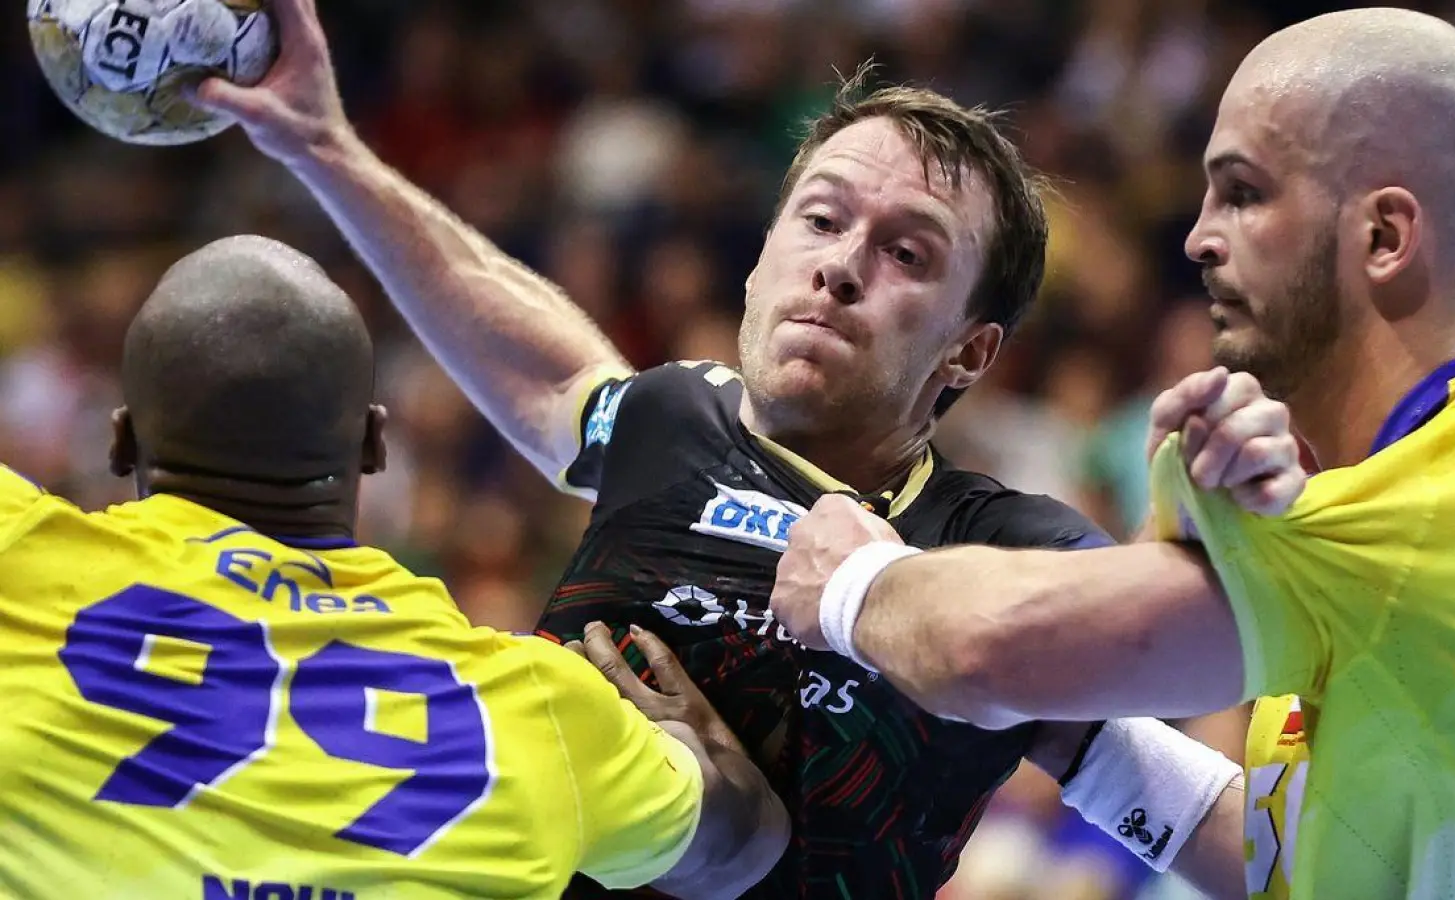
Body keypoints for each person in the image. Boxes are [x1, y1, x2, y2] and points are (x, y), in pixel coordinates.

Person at [190, 2, 1298, 897]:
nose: (840, 267)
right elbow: (527, 348)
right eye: (818, 221)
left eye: (906, 252)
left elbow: (1212, 813)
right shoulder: (669, 421)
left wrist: (1251, 524)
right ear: (762, 256)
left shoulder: (999, 549)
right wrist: (322, 144)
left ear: (969, 353)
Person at [769, 8, 1455, 900]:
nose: (1199, 236)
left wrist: (855, 584)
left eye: (1242, 193)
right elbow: (1289, 862)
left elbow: (988, 647)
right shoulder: (1374, 532)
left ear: (1385, 237)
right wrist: (1075, 734)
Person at [0, 235, 789, 899]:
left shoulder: (18, 560)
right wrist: (706, 751)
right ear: (377, 446)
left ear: (121, 442)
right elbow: (740, 847)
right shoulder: (540, 705)